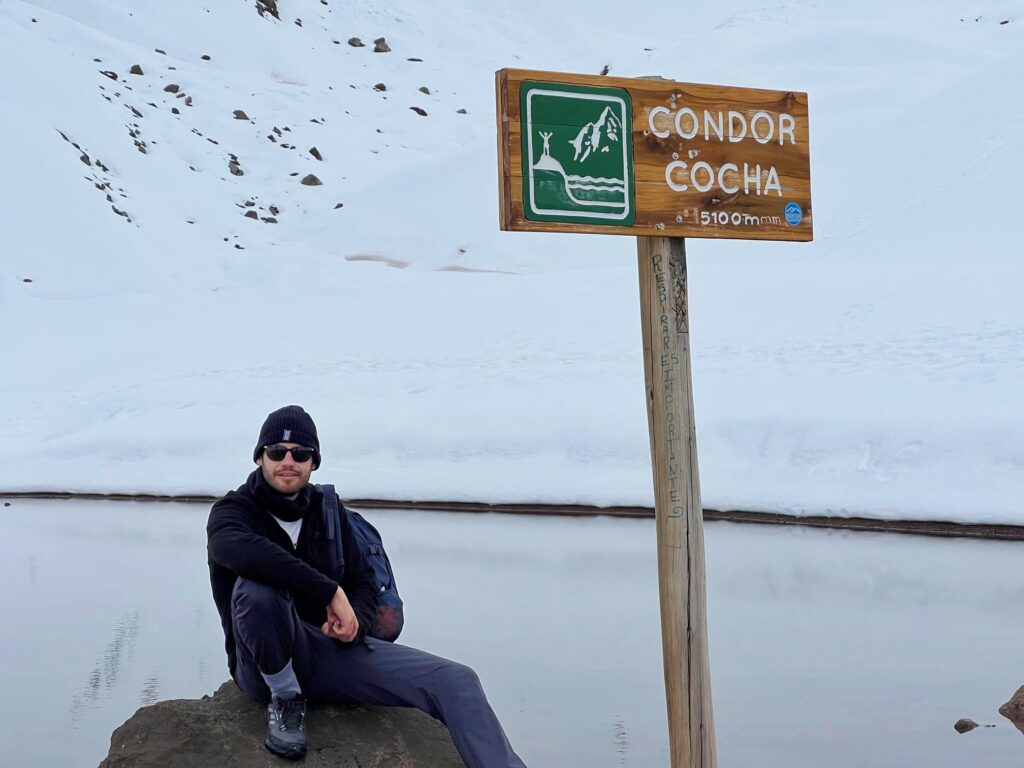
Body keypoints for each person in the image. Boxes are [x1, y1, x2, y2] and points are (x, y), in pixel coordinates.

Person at [207, 405, 526, 765]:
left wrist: (354, 619)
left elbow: (362, 581)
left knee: (458, 681)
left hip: (329, 653)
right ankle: (286, 700)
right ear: (260, 458)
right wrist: (328, 591)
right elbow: (238, 551)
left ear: (314, 462)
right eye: (277, 452)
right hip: (262, 666)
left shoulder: (329, 512)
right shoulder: (233, 512)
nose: (288, 461)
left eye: (301, 453)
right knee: (258, 590)